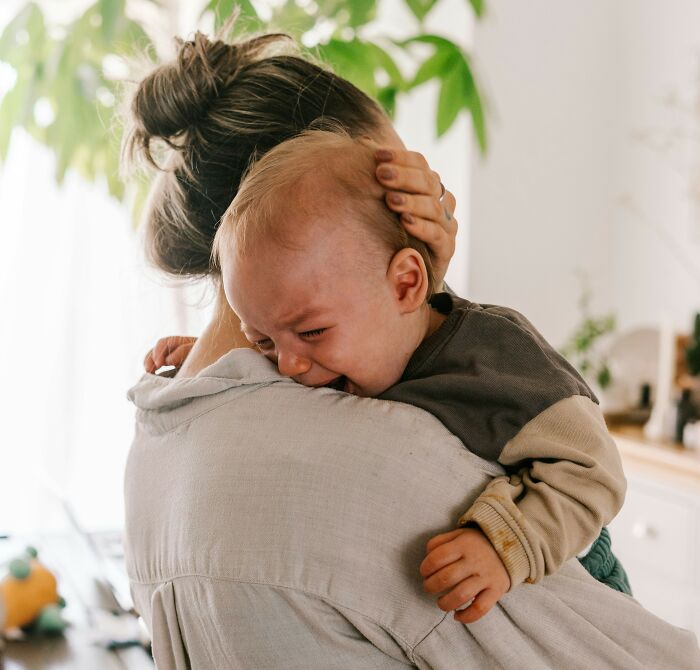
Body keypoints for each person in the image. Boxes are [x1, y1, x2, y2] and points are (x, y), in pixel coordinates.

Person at [123, 28, 700, 669]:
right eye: (402, 191)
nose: (427, 213)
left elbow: (588, 469)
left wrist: (402, 276)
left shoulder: (157, 450)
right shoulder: (374, 461)